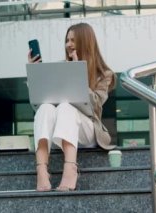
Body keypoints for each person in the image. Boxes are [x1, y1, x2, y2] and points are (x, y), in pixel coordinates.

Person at [28, 23, 116, 192]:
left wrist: (78, 74)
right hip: (58, 133)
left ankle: (70, 169)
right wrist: (35, 75)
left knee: (65, 107)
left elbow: (95, 105)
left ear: (86, 41)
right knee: (46, 107)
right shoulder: (60, 67)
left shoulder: (104, 74)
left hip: (87, 129)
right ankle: (41, 170)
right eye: (67, 40)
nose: (69, 44)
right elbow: (40, 102)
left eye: (73, 40)